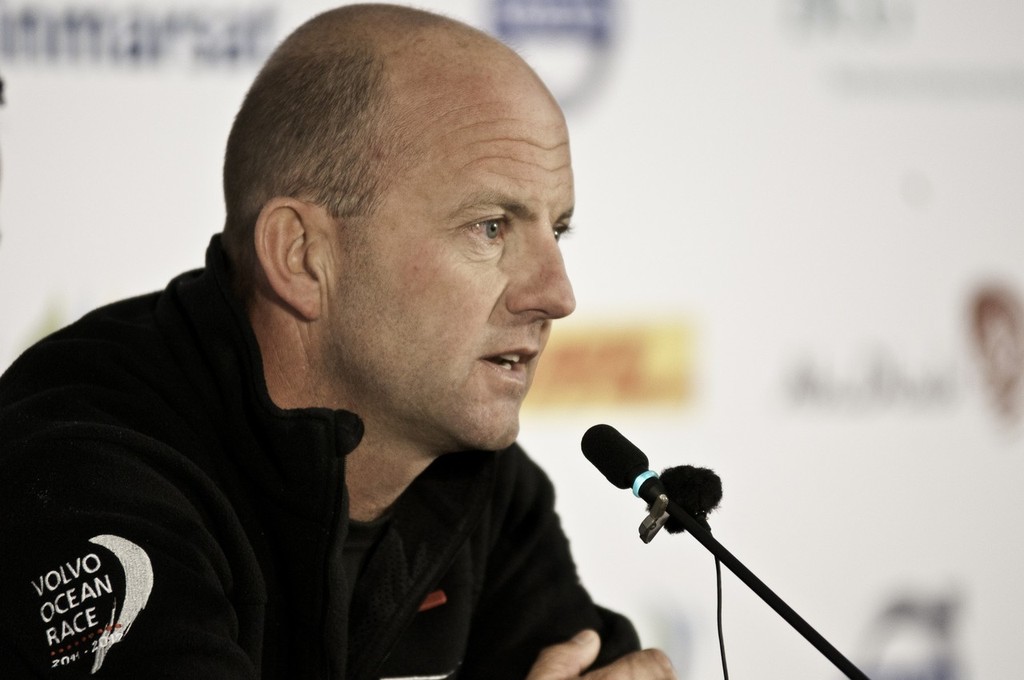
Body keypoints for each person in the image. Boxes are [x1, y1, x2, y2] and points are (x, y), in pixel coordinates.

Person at [0, 4, 675, 679]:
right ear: (301, 256)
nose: (557, 294)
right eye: (491, 227)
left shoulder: (481, 484)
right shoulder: (85, 463)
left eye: (557, 232)